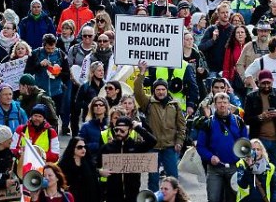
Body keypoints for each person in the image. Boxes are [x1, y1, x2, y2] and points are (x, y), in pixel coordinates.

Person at [133, 61, 187, 192]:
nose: (161, 92)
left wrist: (179, 141)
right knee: (153, 179)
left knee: (173, 178)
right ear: (154, 90)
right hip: (153, 147)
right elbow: (138, 91)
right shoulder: (148, 103)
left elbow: (182, 126)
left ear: (166, 90)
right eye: (158, 89)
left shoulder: (175, 105)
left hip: (170, 147)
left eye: (163, 89)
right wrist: (142, 73)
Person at [244, 70, 276, 195]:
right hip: (260, 143)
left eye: (268, 83)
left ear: (272, 82)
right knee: (260, 177)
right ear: (258, 83)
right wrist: (260, 117)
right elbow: (247, 119)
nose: (266, 86)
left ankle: (272, 198)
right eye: (263, 83)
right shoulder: (251, 97)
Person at [196, 92, 248, 202]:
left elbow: (245, 143)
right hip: (215, 169)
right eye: (219, 103)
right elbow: (200, 146)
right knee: (213, 198)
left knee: (233, 199)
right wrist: (210, 157)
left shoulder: (238, 122)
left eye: (225, 102)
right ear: (214, 105)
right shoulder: (208, 123)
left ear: (229, 104)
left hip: (235, 167)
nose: (222, 105)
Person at [97, 116, 156, 202]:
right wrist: (99, 172)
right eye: (116, 130)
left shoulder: (136, 146)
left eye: (122, 131)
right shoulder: (107, 147)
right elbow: (93, 165)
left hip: (132, 195)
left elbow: (153, 141)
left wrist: (138, 127)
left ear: (130, 130)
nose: (118, 133)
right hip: (112, 195)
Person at [58, 137, 100, 202]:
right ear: (72, 148)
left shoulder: (89, 162)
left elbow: (94, 183)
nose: (83, 149)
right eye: (79, 147)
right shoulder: (64, 165)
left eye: (84, 147)